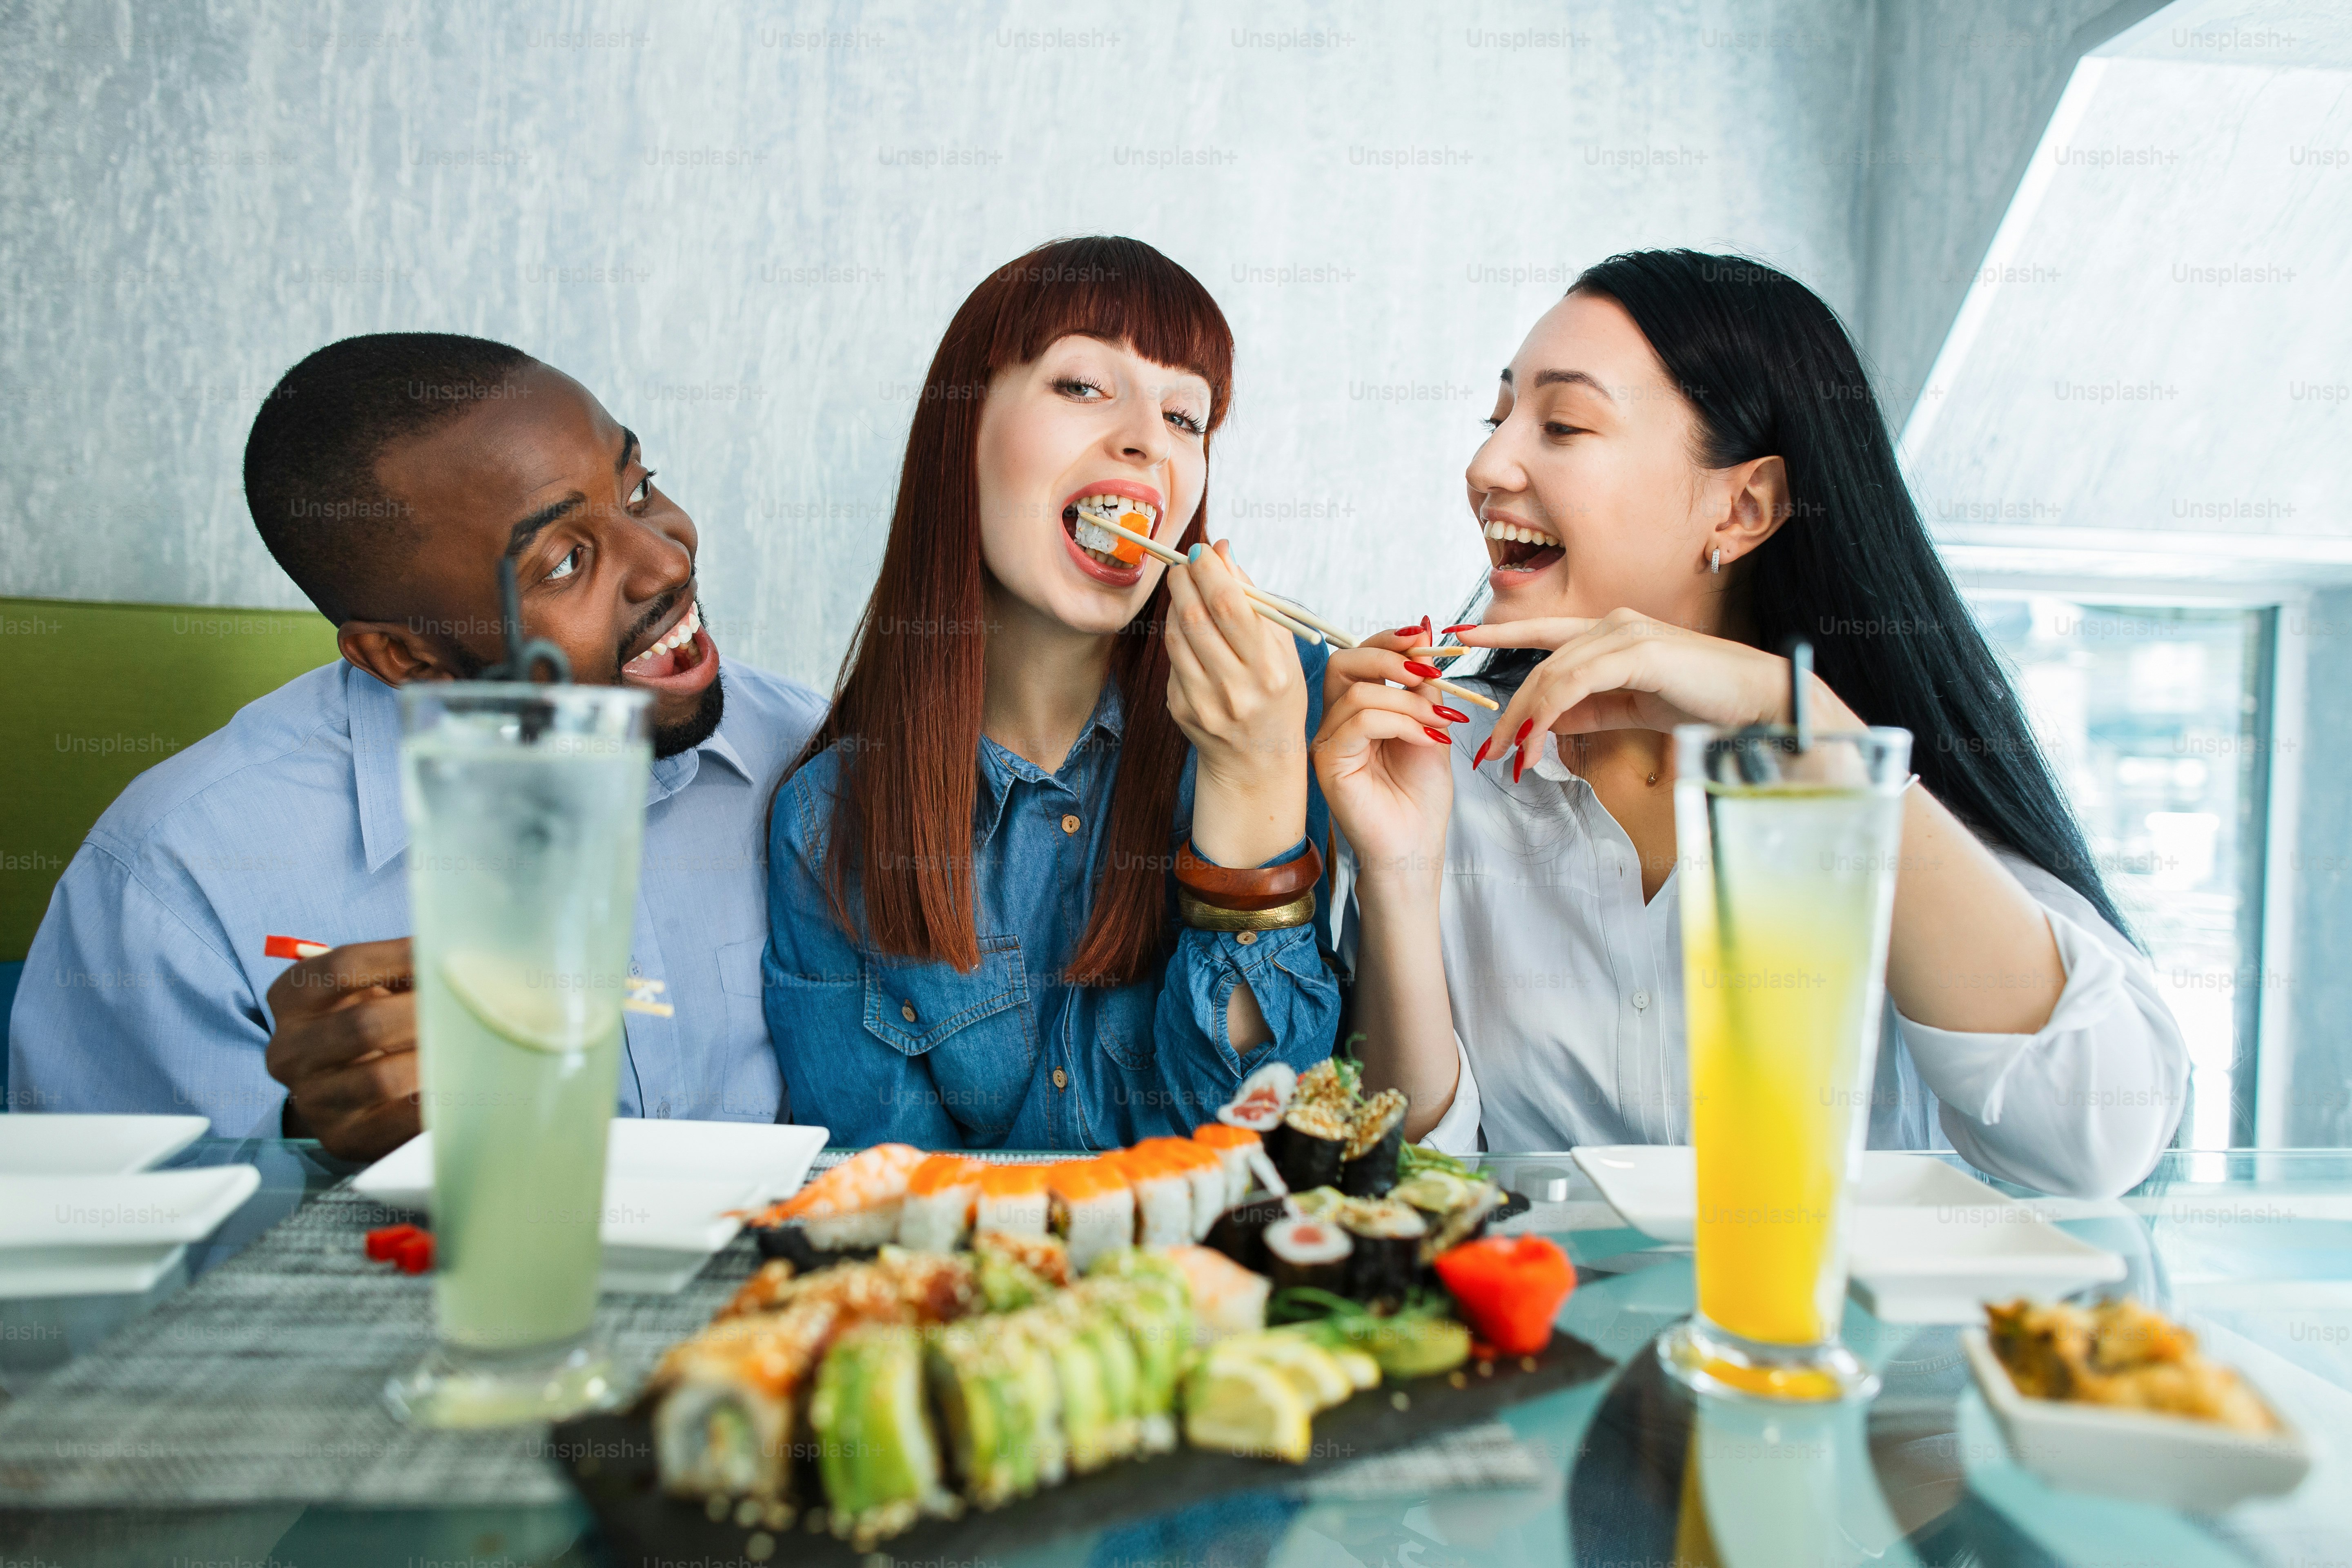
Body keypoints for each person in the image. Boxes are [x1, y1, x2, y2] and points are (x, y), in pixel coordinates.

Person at [1314, 249, 2188, 1198]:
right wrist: (1400, 876)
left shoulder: (1879, 765)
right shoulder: (1443, 770)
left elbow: (2099, 1138)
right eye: (1497, 419)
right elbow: (1415, 1184)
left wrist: (1797, 719)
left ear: (1744, 506)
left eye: (1562, 424)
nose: (1486, 465)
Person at [8, 333, 825, 1158]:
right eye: (565, 560)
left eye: (638, 488)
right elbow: (100, 1249)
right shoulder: (170, 883)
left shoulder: (812, 760)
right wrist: (303, 1143)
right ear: (408, 659)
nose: (666, 561)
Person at [767, 236, 1341, 1149]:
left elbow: (1268, 1152)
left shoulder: (1289, 718)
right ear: (964, 426)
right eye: (1082, 386)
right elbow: (886, 1204)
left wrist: (1253, 779)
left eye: (1186, 417)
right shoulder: (827, 824)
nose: (1148, 440)